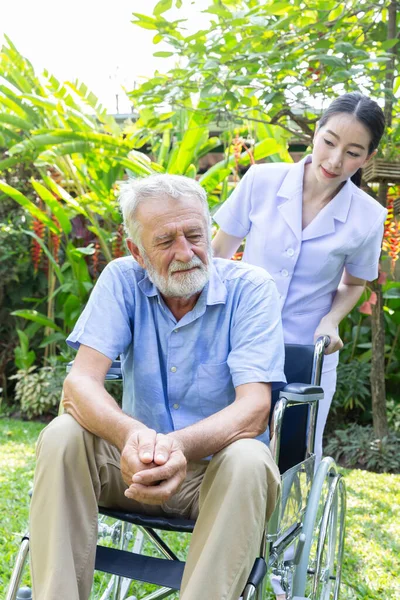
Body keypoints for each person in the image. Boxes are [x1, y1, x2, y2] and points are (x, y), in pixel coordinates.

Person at [29, 174, 286, 600]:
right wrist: (133, 437)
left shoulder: (252, 289)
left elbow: (255, 407)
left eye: (194, 235)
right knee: (62, 434)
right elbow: (79, 384)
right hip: (131, 466)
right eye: (166, 241)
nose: (186, 253)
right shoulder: (122, 280)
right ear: (137, 252)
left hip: (213, 476)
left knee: (249, 458)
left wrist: (177, 448)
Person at [212, 92, 387, 469]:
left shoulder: (368, 217)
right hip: (239, 341)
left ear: (368, 158)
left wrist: (330, 320)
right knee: (229, 448)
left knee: (291, 458)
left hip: (308, 354)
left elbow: (354, 283)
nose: (336, 160)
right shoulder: (261, 180)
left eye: (354, 153)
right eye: (329, 142)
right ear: (315, 133)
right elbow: (217, 255)